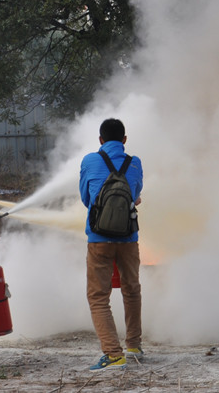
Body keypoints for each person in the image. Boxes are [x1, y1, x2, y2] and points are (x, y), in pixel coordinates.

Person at [79, 118, 144, 371]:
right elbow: (135, 195)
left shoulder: (89, 160)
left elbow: (87, 198)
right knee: (132, 290)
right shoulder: (135, 162)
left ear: (100, 140)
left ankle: (113, 354)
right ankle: (134, 346)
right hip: (128, 237)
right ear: (124, 140)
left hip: (99, 238)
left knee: (98, 296)